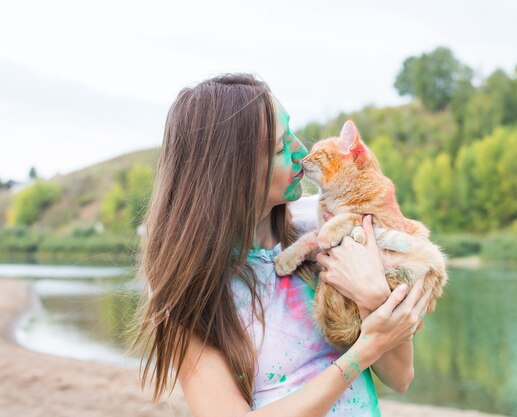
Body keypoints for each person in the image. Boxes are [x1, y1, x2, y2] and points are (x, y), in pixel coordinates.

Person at [132, 73, 432, 417]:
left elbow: (400, 376)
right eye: (279, 147)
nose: (301, 152)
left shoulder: (322, 227)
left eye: (292, 133)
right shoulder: (188, 291)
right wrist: (361, 353)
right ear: (229, 171)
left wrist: (376, 301)